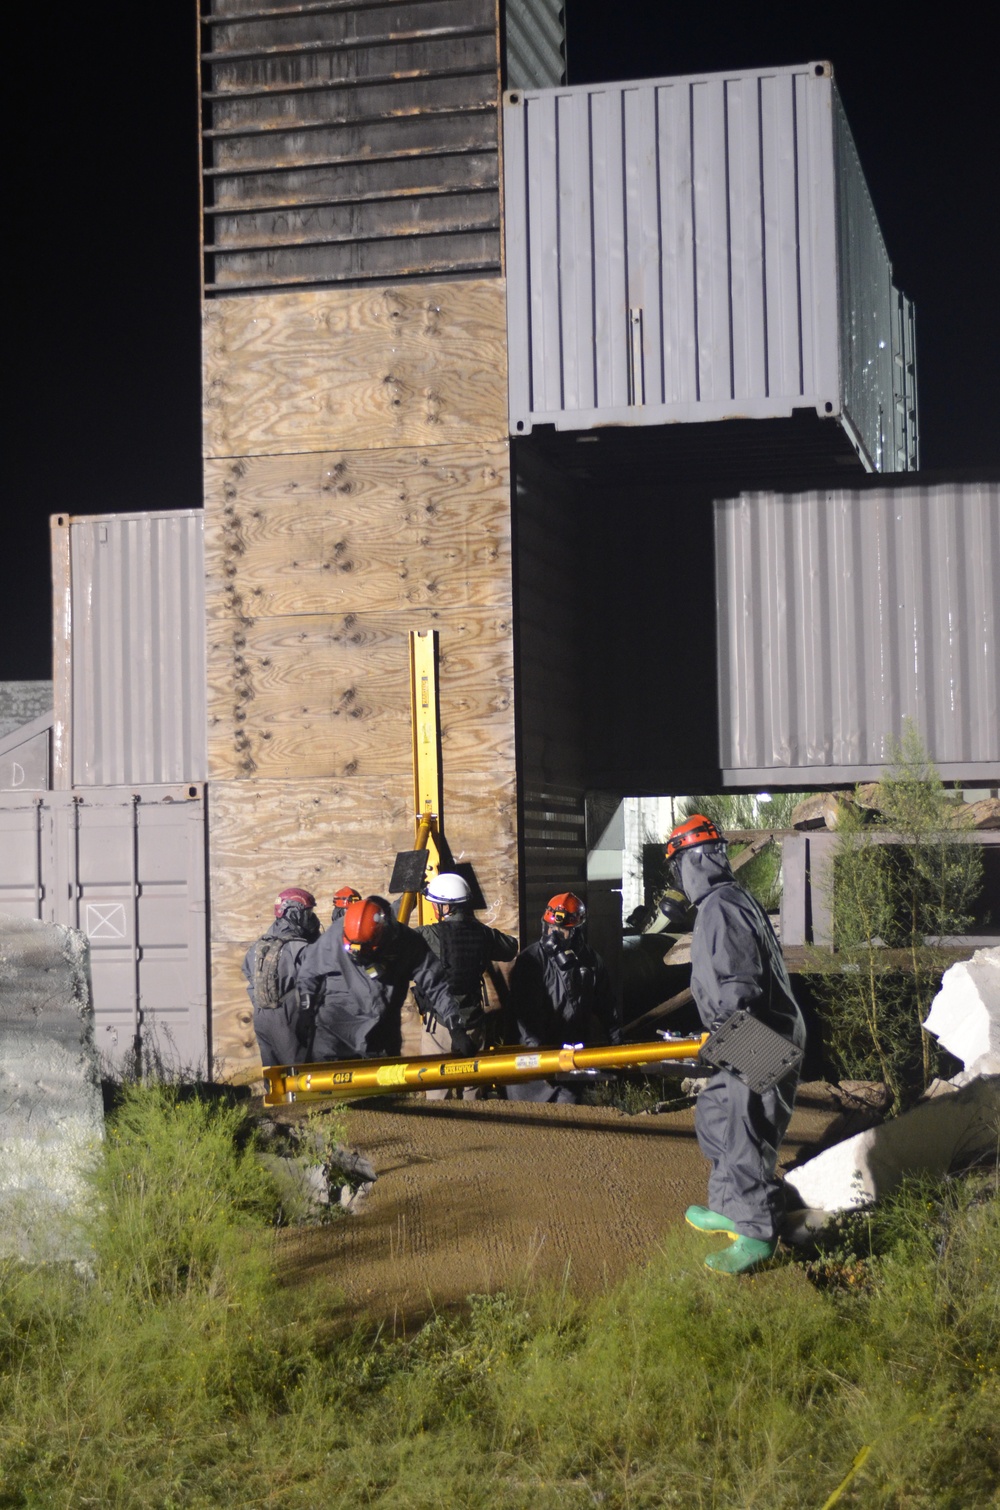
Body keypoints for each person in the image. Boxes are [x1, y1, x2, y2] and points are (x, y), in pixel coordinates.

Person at [665, 815, 807, 1275]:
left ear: (691, 862)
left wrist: (728, 1030)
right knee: (715, 1116)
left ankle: (756, 1232)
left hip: (754, 1032)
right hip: (746, 1029)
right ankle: (729, 1204)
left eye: (676, 869)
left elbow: (737, 980)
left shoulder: (721, 907)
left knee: (746, 1130)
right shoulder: (726, 900)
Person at [297, 895, 475, 1062]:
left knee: (384, 1093)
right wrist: (305, 1010)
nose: (358, 955)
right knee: (328, 1092)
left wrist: (455, 1026)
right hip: (334, 1034)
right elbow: (309, 973)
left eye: (365, 950)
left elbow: (436, 986)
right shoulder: (336, 934)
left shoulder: (409, 944)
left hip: (380, 1037)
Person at [506, 892, 621, 1103]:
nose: (554, 935)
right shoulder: (530, 961)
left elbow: (606, 1004)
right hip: (535, 1067)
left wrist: (616, 1039)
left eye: (562, 930)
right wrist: (540, 1058)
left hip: (571, 1061)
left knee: (569, 1119)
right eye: (551, 929)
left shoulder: (591, 961)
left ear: (577, 931)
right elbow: (525, 1015)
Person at [415, 873, 518, 1098]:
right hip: (473, 1022)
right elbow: (511, 947)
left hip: (439, 1024)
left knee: (437, 1089)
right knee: (472, 1089)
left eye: (436, 905)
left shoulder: (429, 935)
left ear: (446, 907)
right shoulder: (482, 934)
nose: (433, 909)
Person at [242, 887, 321, 1067]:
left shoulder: (258, 946)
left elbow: (249, 979)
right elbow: (317, 983)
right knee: (300, 1076)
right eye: (308, 913)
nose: (312, 919)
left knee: (272, 1075)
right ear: (294, 914)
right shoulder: (300, 948)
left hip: (261, 1018)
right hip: (288, 1018)